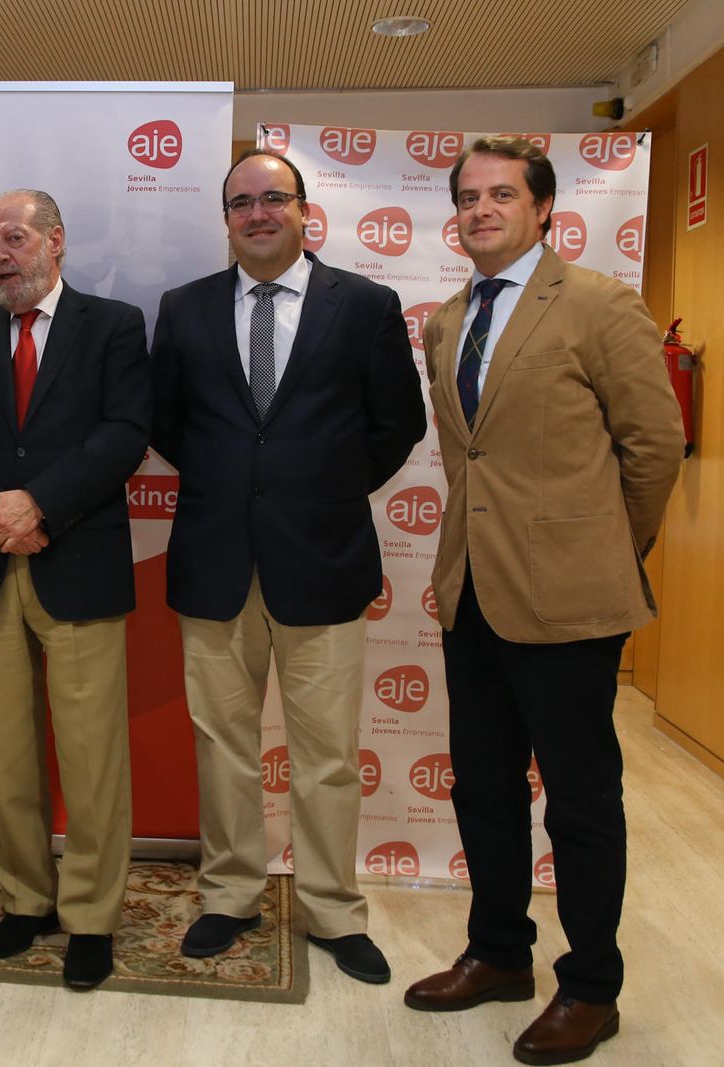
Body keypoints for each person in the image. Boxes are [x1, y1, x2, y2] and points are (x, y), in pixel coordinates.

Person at [405, 136, 682, 1065]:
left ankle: (592, 985)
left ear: (542, 210)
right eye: (468, 197)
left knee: (580, 800)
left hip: (571, 600)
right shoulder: (447, 321)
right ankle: (498, 953)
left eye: (500, 195)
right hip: (473, 591)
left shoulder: (600, 304)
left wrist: (606, 548)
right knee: (483, 788)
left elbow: (654, 447)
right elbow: (466, 456)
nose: (480, 209)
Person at [150, 150, 424, 983]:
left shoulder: (365, 304)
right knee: (224, 744)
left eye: (275, 198)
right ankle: (229, 894)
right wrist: (240, 487)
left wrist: (321, 492)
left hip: (325, 559)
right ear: (225, 217)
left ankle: (334, 910)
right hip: (215, 561)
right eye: (242, 202)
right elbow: (166, 422)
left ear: (306, 212)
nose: (258, 213)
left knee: (328, 753)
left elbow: (396, 423)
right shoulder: (185, 307)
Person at [0, 189, 149, 990]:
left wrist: (39, 503)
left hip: (75, 559)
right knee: (7, 755)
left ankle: (90, 914)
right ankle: (25, 899)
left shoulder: (113, 326)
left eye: (14, 237)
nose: (0, 255)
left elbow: (124, 433)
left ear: (56, 240)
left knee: (91, 757)